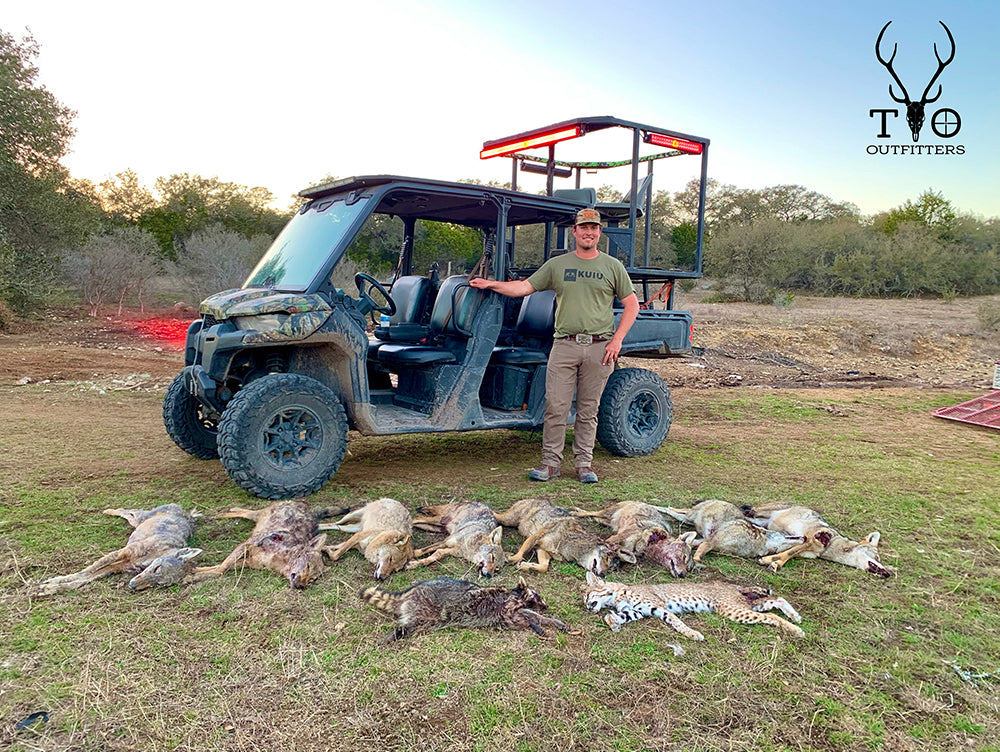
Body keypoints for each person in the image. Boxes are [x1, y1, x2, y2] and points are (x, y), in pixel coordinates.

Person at [470, 207, 639, 483]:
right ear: (574, 231)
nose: (589, 232)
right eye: (583, 228)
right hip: (564, 346)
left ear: (599, 232)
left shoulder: (612, 266)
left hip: (599, 348)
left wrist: (617, 340)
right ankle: (550, 465)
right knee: (556, 406)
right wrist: (491, 284)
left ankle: (584, 465)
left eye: (594, 228)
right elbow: (524, 288)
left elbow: (632, 305)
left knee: (588, 410)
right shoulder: (558, 265)